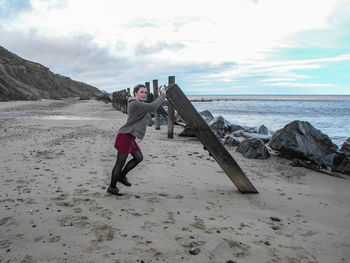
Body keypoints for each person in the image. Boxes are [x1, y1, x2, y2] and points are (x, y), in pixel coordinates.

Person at [107, 84, 167, 196]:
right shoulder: (135, 104)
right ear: (135, 93)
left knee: (139, 157)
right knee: (119, 163)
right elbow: (153, 107)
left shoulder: (137, 103)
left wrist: (159, 95)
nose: (144, 94)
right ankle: (112, 187)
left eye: (145, 92)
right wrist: (163, 95)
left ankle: (121, 176)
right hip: (125, 136)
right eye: (141, 92)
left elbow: (150, 105)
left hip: (129, 137)